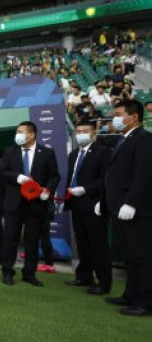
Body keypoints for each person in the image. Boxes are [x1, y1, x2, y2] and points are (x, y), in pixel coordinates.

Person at [100, 100, 152, 316]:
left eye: (119, 114)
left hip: (138, 211)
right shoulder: (122, 140)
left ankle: (145, 302)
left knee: (141, 257)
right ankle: (130, 294)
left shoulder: (144, 139)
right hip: (119, 209)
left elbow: (144, 175)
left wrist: (131, 202)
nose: (115, 118)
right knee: (128, 256)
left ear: (134, 117)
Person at [2, 121, 60, 287]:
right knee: (10, 238)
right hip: (14, 203)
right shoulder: (9, 152)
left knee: (32, 239)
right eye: (17, 131)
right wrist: (17, 177)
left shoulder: (47, 153)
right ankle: (7, 271)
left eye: (21, 131)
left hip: (36, 204)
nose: (17, 134)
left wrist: (48, 190)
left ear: (32, 134)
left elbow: (54, 176)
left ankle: (29, 273)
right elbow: (4, 172)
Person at [64, 121, 112, 295]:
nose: (81, 134)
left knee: (97, 244)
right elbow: (70, 178)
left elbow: (105, 179)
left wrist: (85, 189)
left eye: (85, 131)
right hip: (76, 205)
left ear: (93, 134)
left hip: (94, 204)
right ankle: (84, 276)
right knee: (82, 243)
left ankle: (104, 282)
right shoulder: (74, 153)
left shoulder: (103, 152)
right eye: (78, 131)